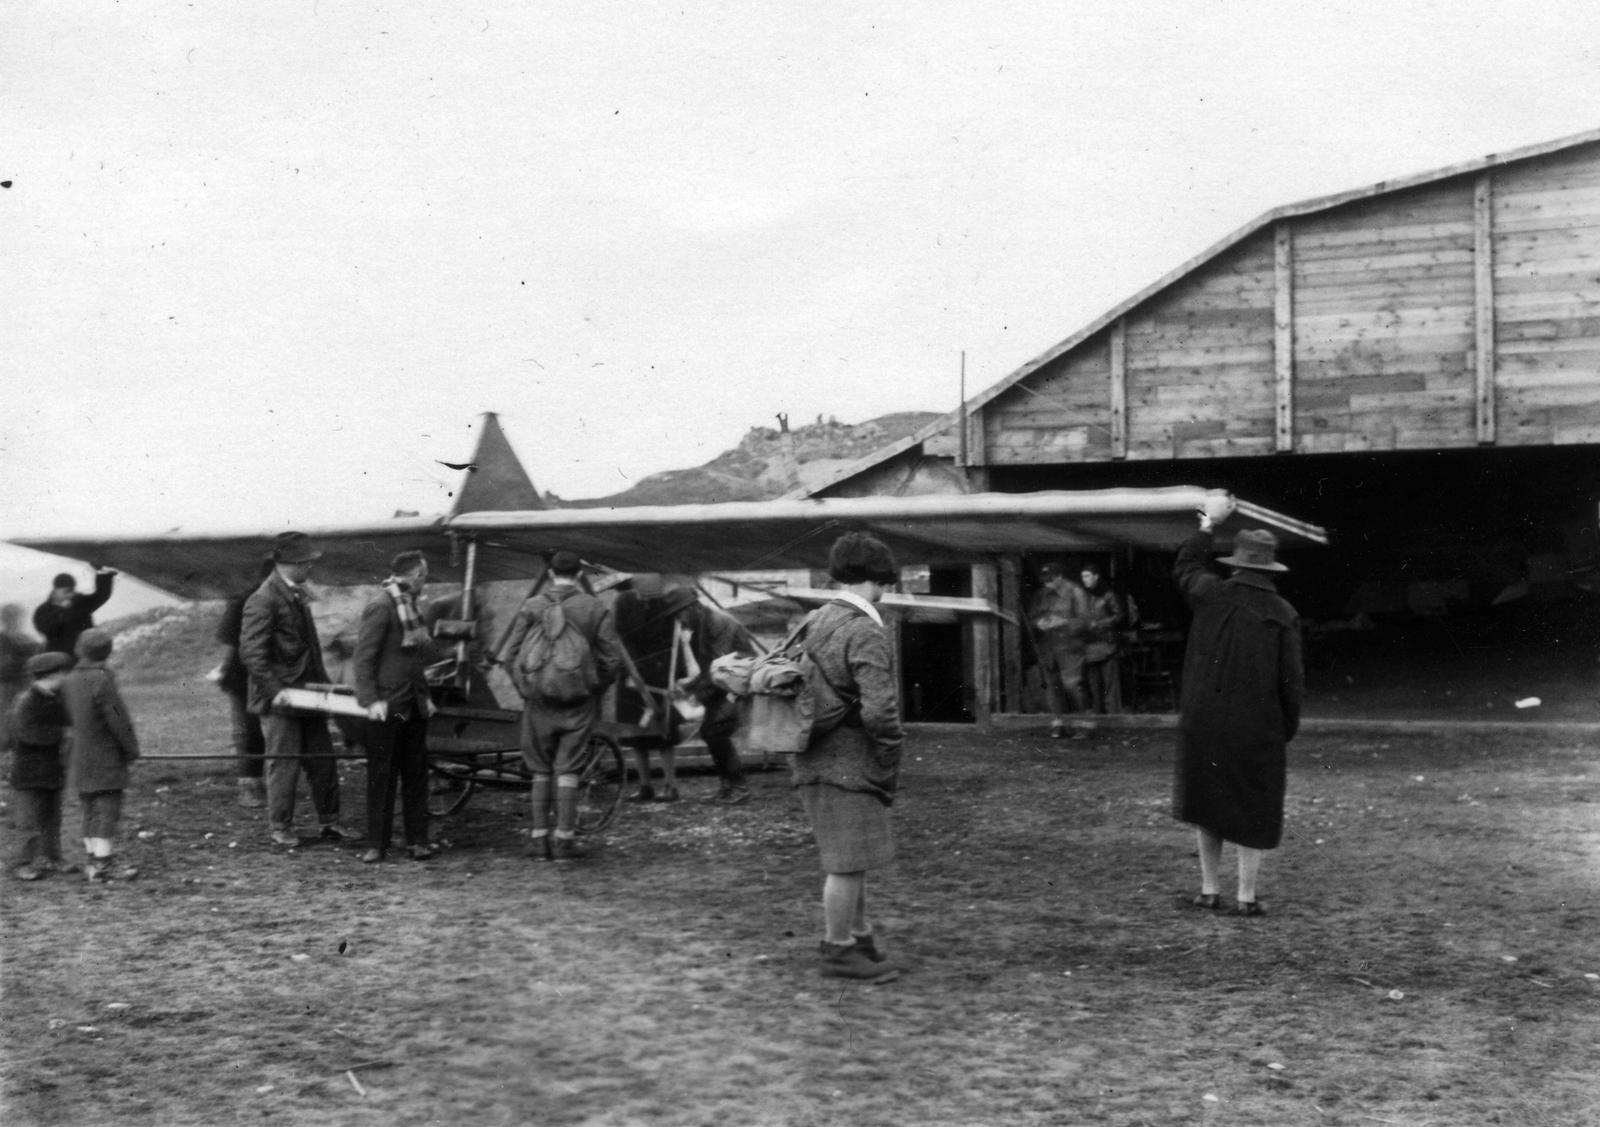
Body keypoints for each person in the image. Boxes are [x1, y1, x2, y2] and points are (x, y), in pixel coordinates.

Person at [1172, 497, 1304, 917]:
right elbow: (1291, 683)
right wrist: (1283, 728)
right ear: (1270, 568)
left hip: (1203, 721)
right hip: (1256, 727)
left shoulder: (1210, 593)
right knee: (1254, 806)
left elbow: (1187, 565)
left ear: (1236, 564)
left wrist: (1208, 524)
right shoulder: (1283, 613)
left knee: (1207, 802)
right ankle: (1246, 897)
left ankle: (1209, 890)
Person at [793, 532, 905, 984]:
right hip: (851, 762)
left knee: (852, 857)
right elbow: (880, 710)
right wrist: (890, 750)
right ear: (878, 581)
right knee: (844, 863)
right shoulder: (865, 629)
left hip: (812, 755)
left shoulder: (815, 618)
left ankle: (858, 935)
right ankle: (837, 950)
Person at [501, 550, 623, 861]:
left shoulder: (532, 606)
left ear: (551, 574)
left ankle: (540, 841)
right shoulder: (594, 607)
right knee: (569, 769)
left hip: (538, 702)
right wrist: (593, 688)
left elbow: (510, 657)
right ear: (580, 574)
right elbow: (611, 660)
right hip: (579, 702)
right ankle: (564, 841)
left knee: (540, 769)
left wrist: (527, 689)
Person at [240, 531, 357, 848]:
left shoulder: (296, 593)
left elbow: (310, 648)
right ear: (290, 562)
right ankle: (280, 827)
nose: (311, 568)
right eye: (307, 562)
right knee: (284, 763)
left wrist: (326, 689)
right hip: (281, 701)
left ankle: (330, 823)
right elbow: (252, 654)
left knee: (323, 761)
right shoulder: (263, 599)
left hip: (308, 696)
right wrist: (276, 690)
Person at [353, 551, 441, 863]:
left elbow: (414, 659)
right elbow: (363, 657)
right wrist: (371, 700)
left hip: (413, 705)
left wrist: (425, 695)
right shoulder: (382, 605)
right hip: (388, 705)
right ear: (415, 576)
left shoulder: (411, 607)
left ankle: (417, 842)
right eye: (424, 577)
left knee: (416, 773)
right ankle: (377, 844)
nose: (424, 583)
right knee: (382, 774)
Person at [660, 586, 760, 804]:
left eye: (680, 613)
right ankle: (728, 787)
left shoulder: (717, 622)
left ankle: (739, 788)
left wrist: (694, 692)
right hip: (722, 680)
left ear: (692, 607)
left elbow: (719, 666)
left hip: (736, 679)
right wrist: (686, 687)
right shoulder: (701, 625)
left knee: (717, 732)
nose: (679, 620)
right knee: (710, 732)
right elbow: (709, 669)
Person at [60, 630, 141, 882]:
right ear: (107, 652)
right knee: (107, 811)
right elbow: (118, 718)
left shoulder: (69, 680)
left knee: (90, 810)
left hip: (78, 757)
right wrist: (131, 749)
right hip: (104, 758)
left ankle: (92, 861)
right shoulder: (103, 680)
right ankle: (103, 866)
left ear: (78, 650)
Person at [612, 580, 683, 803]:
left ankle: (670, 785)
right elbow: (618, 635)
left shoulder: (665, 602)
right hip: (631, 673)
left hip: (660, 674)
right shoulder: (623, 601)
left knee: (664, 733)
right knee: (634, 733)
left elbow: (674, 640)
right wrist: (630, 666)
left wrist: (675, 675)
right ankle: (645, 786)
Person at [7, 652, 76, 880]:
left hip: (51, 771)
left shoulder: (55, 698)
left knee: (52, 819)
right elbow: (27, 734)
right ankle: (22, 863)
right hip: (29, 773)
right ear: (53, 675)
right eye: (63, 673)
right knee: (27, 821)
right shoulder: (25, 701)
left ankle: (52, 858)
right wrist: (62, 734)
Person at [217, 559, 274, 808]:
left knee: (265, 730)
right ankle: (249, 786)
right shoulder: (243, 599)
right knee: (248, 730)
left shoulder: (280, 598)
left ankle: (263, 782)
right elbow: (228, 637)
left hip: (266, 672)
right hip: (242, 675)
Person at [1029, 560, 1093, 737]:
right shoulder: (1041, 594)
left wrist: (1063, 622)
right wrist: (1038, 623)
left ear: (1060, 577)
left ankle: (1084, 725)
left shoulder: (1076, 592)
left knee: (1073, 685)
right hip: (1049, 648)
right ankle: (1058, 724)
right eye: (1044, 579)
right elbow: (1033, 616)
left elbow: (1086, 621)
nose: (1046, 582)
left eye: (1050, 579)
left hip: (1070, 647)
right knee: (1052, 686)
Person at [33, 567, 116, 659]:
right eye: (66, 591)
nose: (70, 595)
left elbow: (101, 595)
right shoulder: (43, 609)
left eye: (72, 591)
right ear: (55, 591)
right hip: (59, 660)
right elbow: (43, 627)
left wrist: (102, 573)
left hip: (85, 659)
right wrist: (62, 609)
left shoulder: (78, 602)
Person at [1078, 561, 1126, 714]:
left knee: (1111, 687)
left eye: (1087, 576)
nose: (1084, 579)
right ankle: (1099, 720)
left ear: (1096, 577)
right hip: (1090, 648)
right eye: (1083, 577)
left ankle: (1114, 720)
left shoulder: (1108, 594)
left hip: (1107, 645)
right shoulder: (1083, 596)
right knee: (1094, 687)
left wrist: (1100, 624)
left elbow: (1120, 616)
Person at [0, 604, 41, 752]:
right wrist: (28, 661)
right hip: (12, 688)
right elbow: (3, 668)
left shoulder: (24, 638)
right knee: (13, 725)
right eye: (16, 617)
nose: (19, 621)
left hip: (25, 686)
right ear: (8, 619)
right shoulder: (3, 639)